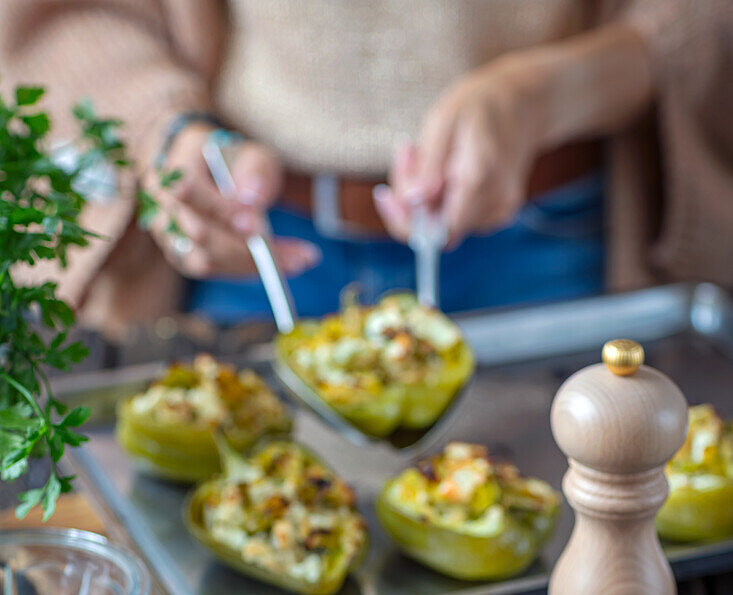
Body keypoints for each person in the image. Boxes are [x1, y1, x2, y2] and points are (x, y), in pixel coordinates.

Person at [1, 0, 731, 337]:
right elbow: (59, 17)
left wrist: (539, 94)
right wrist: (165, 129)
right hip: (249, 254)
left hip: (554, 244)